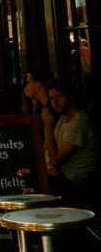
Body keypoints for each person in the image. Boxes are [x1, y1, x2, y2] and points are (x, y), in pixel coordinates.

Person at [42, 77, 99, 209]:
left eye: (59, 96)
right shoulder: (63, 119)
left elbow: (56, 158)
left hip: (77, 183)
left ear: (71, 96)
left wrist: (48, 127)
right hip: (62, 176)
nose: (55, 102)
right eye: (51, 98)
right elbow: (48, 149)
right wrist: (48, 166)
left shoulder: (80, 121)